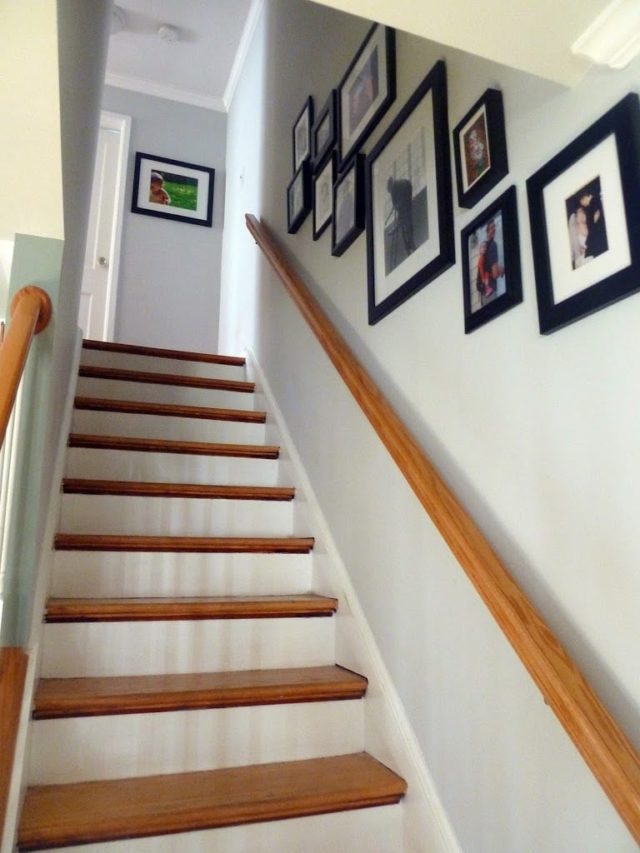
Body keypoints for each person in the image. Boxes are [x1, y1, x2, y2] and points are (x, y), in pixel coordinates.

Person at [386, 176, 415, 255]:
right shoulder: (400, 183)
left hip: (405, 207)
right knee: (406, 226)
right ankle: (410, 246)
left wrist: (398, 205)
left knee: (406, 227)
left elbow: (397, 203)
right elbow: (396, 204)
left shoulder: (398, 186)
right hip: (405, 206)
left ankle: (410, 247)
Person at [481, 218, 503, 297]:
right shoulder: (493, 245)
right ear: (487, 231)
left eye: (494, 227)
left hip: (486, 290)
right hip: (492, 290)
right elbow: (495, 275)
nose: (494, 229)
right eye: (491, 228)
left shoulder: (484, 245)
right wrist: (502, 269)